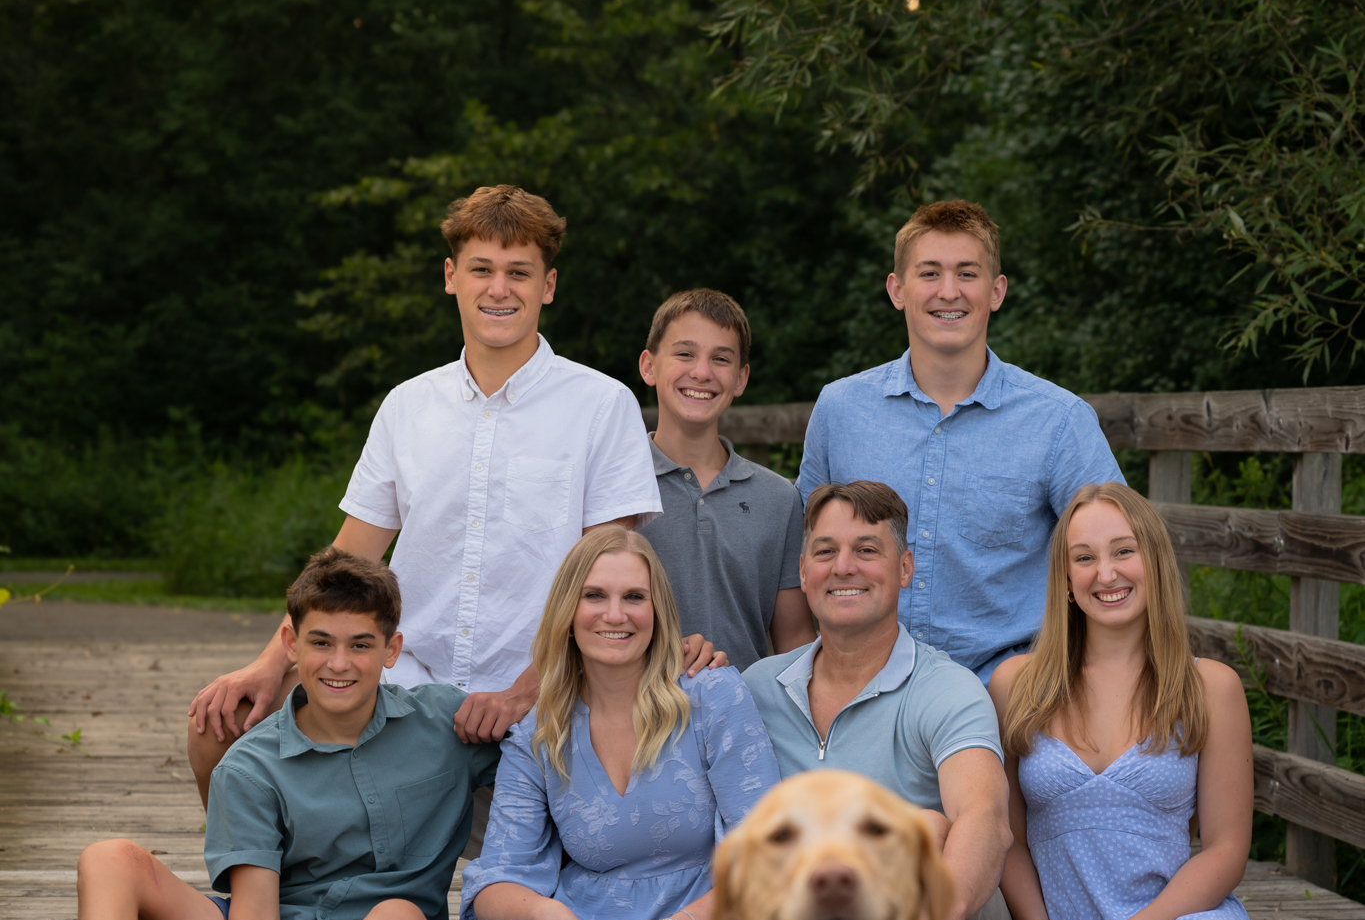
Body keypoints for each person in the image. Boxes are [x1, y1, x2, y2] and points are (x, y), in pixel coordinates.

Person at [185, 183, 691, 807]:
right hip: (401, 686)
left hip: (540, 696)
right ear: (451, 277)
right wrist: (270, 663)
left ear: (548, 286)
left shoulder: (602, 405)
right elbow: (348, 564)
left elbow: (604, 582)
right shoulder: (408, 405)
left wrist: (522, 693)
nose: (499, 289)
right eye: (481, 269)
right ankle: (251, 895)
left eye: (518, 272)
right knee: (219, 726)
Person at [37, 550, 500, 920]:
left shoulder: (446, 724)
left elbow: (549, 758)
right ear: (290, 644)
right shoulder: (252, 764)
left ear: (392, 649)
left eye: (361, 645)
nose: (340, 663)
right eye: (321, 642)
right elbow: (254, 904)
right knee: (109, 857)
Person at [990, 483, 1365, 920]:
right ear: (1063, 578)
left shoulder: (1208, 686)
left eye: (1123, 551)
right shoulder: (1017, 685)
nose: (1105, 573)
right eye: (1083, 558)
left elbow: (1223, 848)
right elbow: (1004, 836)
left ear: (1155, 563)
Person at [428, 527, 781, 920]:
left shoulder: (712, 695)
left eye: (633, 598)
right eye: (595, 596)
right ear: (568, 610)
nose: (614, 615)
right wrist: (549, 917)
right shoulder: (539, 733)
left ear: (658, 611)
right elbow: (495, 880)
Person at [743, 481, 1022, 920]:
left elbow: (986, 820)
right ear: (802, 570)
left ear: (905, 568)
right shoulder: (756, 689)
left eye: (866, 550)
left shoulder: (947, 689)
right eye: (825, 551)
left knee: (923, 826)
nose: (843, 567)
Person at [796, 198, 1124, 681]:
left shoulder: (1059, 422)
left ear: (996, 291)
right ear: (897, 289)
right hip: (863, 686)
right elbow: (802, 558)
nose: (948, 292)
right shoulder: (840, 410)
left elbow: (1120, 559)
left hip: (1010, 694)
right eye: (929, 273)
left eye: (967, 274)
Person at [638, 287, 816, 668]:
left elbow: (795, 638)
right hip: (635, 714)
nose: (701, 372)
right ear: (649, 366)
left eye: (721, 359)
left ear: (740, 378)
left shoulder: (780, 499)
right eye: (685, 354)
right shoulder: (614, 485)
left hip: (746, 716)